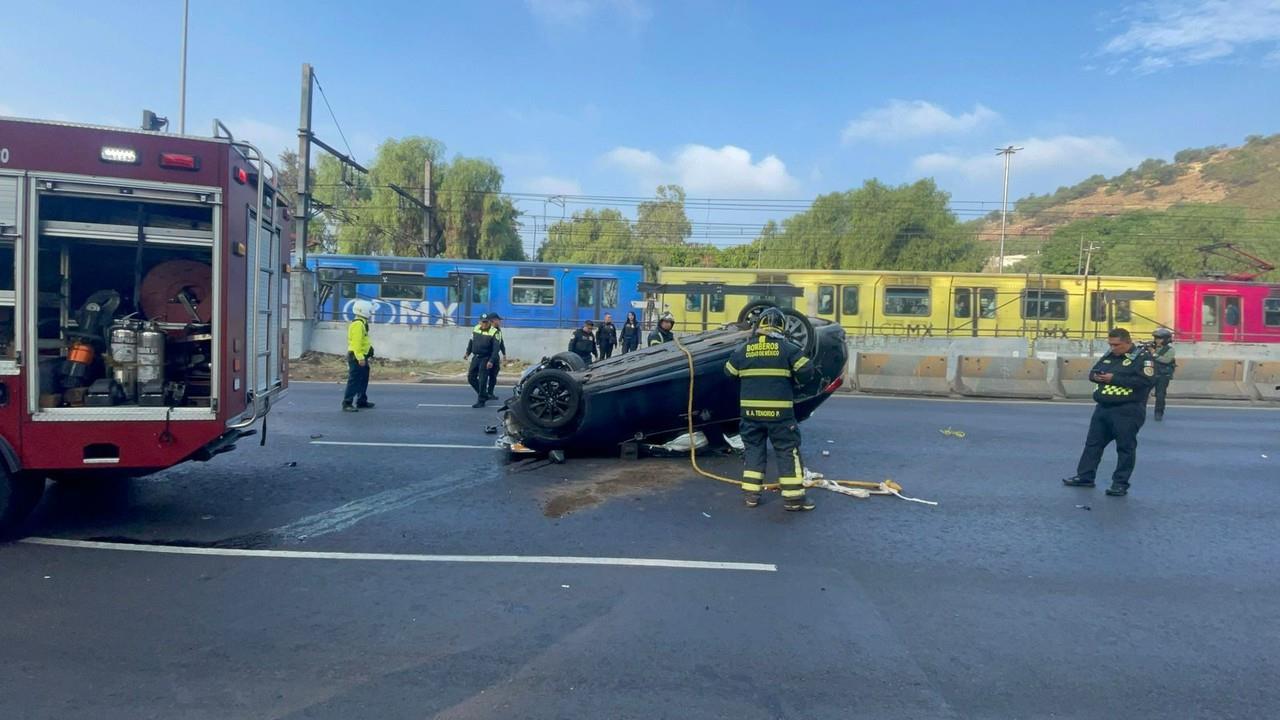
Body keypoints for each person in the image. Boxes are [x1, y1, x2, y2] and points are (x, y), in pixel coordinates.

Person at [724, 307, 816, 511]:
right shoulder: (788, 348)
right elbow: (807, 370)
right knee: (786, 451)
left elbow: (729, 372)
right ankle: (794, 499)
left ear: (759, 325)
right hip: (780, 416)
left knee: (753, 451)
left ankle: (751, 496)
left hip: (750, 415)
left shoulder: (743, 350)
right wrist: (796, 380)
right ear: (782, 327)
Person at [1062, 327, 1155, 497]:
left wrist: (1114, 379)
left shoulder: (1142, 358)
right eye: (1110, 344)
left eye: (1116, 345)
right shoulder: (1109, 355)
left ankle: (1120, 484)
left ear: (1128, 342)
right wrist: (1096, 377)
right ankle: (1085, 477)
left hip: (1128, 409)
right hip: (1103, 408)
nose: (1113, 348)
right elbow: (1093, 373)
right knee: (1093, 444)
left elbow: (1146, 381)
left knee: (1125, 448)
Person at [342, 300, 376, 412]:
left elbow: (364, 341)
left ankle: (361, 401)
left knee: (363, 379)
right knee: (354, 380)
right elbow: (356, 343)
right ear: (364, 310)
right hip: (356, 357)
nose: (371, 313)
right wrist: (360, 358)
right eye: (370, 311)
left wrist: (369, 350)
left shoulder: (362, 323)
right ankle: (347, 403)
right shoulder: (358, 324)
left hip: (362, 355)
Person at [463, 313, 500, 408]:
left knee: (483, 380)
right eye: (482, 322)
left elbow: (496, 349)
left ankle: (481, 401)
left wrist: (491, 361)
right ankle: (484, 394)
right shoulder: (476, 328)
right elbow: (471, 341)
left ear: (489, 322)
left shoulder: (494, 332)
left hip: (486, 358)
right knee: (471, 377)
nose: (484, 324)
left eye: (486, 322)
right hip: (476, 357)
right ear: (479, 322)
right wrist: (468, 352)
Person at [1149, 327, 1176, 421]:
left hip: (1163, 375)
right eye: (1156, 338)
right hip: (1150, 373)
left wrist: (1154, 354)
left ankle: (1158, 412)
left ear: (1166, 339)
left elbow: (1166, 360)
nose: (1157, 340)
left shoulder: (1170, 349)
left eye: (1159, 338)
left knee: (1160, 395)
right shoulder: (1152, 347)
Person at [485, 313, 506, 400]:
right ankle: (483, 393)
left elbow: (501, 343)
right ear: (493, 320)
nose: (500, 321)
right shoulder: (487, 330)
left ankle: (490, 393)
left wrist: (504, 354)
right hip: (487, 357)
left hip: (495, 357)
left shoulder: (498, 330)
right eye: (498, 320)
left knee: (493, 376)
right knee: (485, 376)